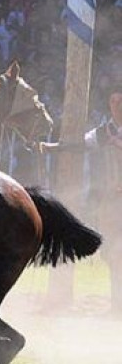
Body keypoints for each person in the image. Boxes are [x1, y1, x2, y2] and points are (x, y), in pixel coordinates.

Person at [40, 89, 122, 315]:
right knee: (112, 254)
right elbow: (79, 145)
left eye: (121, 102)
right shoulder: (104, 132)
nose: (117, 106)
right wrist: (53, 148)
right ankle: (117, 305)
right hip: (110, 203)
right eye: (114, 102)